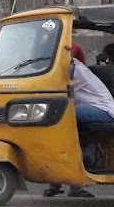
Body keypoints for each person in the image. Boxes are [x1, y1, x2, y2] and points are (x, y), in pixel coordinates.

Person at [44, 43, 114, 198]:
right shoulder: (61, 67)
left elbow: (56, 89)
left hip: (103, 110)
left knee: (63, 115)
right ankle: (57, 179)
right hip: (89, 109)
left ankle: (72, 183)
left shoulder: (74, 69)